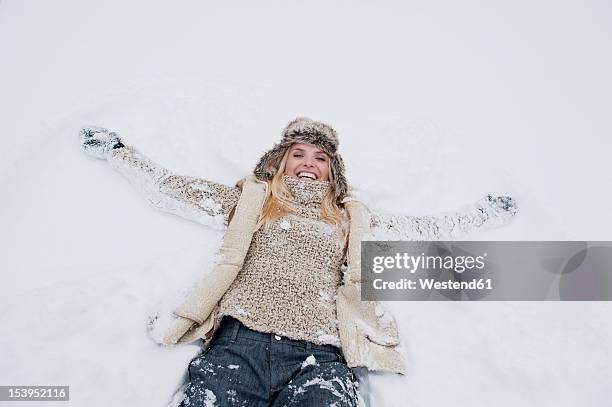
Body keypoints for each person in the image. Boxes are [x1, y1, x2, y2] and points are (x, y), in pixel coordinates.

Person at [79, 118, 518, 406]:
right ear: (282, 161)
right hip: (238, 345)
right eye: (299, 154)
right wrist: (119, 152)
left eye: (320, 158)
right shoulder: (252, 200)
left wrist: (484, 213)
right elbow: (172, 188)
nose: (309, 164)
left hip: (320, 357)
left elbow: (421, 229)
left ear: (333, 170)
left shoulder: (351, 217)